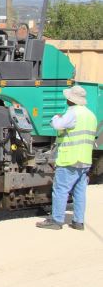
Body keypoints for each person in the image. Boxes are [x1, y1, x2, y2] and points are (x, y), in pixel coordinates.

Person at [36, 84, 97, 230]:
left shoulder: (73, 113)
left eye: (67, 98)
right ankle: (78, 222)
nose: (66, 100)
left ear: (72, 100)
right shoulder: (91, 115)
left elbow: (58, 125)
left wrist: (55, 117)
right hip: (85, 159)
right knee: (80, 191)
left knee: (61, 189)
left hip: (69, 159)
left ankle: (56, 221)